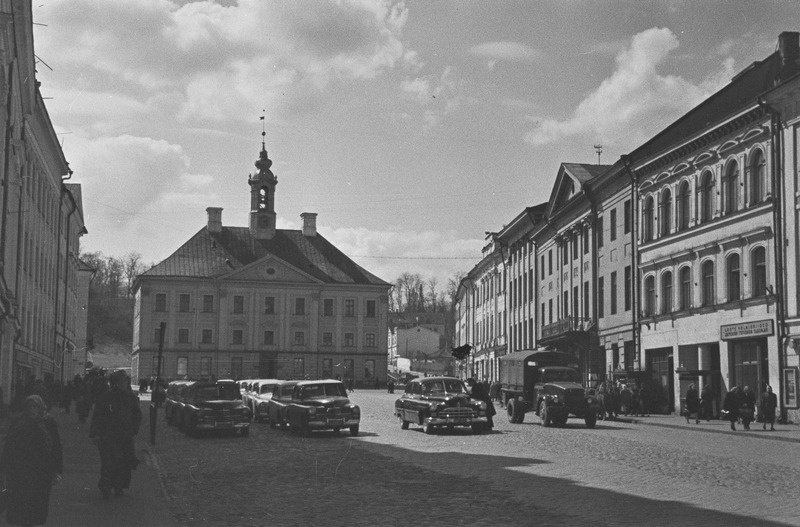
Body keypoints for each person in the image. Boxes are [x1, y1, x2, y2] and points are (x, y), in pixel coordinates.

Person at [0, 395, 63, 526]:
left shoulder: (48, 422)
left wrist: (56, 470)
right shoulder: (19, 422)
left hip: (41, 470)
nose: (32, 410)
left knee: (37, 501)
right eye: (29, 406)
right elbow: (9, 445)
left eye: (35, 406)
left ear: (40, 407)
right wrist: (4, 466)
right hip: (20, 469)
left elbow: (55, 447)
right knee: (21, 500)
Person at [89, 370, 142, 498]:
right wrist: (95, 434)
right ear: (116, 383)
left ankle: (119, 487)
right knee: (108, 463)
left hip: (125, 436)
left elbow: (137, 415)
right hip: (108, 437)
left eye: (125, 381)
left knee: (124, 463)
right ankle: (106, 487)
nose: (125, 383)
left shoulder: (131, 397)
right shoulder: (105, 397)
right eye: (122, 381)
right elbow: (97, 416)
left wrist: (133, 429)